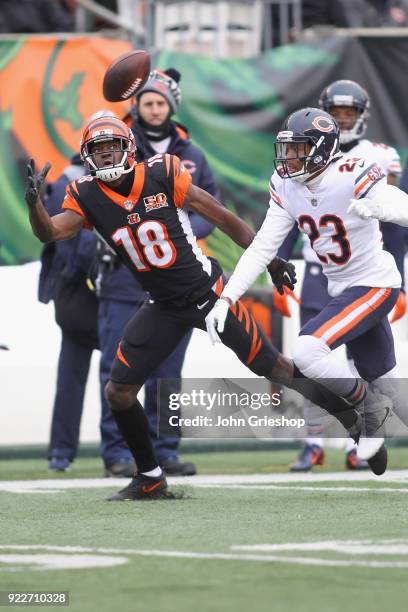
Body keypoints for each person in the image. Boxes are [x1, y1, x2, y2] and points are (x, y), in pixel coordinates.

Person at [24, 114, 372, 501]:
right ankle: (150, 477)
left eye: (112, 149)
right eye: (98, 152)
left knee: (274, 367)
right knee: (119, 392)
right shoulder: (86, 194)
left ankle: (348, 417)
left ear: (129, 148)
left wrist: (272, 262)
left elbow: (221, 217)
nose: (106, 158)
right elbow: (50, 232)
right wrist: (36, 205)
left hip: (209, 294)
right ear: (88, 156)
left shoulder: (163, 172)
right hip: (163, 304)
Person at [206, 107, 407, 476]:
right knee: (396, 393)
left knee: (308, 348)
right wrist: (226, 297)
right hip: (342, 288)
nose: (289, 157)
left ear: (322, 148)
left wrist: (381, 208)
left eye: (298, 149)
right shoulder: (286, 186)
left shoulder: (351, 171)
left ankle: (368, 411)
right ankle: (377, 406)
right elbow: (264, 246)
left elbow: (401, 204)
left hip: (376, 284)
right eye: (286, 148)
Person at [96, 68, 219, 476]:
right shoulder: (114, 143)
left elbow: (210, 210)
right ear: (136, 105)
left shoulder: (194, 155)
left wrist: (177, 235)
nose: (152, 109)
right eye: (146, 102)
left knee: (168, 368)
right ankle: (117, 452)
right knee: (118, 369)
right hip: (124, 274)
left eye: (159, 102)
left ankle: (164, 449)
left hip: (176, 276)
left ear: (172, 106)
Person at [279, 80, 405, 472]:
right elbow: (283, 218)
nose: (342, 120)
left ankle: (361, 437)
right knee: (310, 358)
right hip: (318, 270)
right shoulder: (298, 156)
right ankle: (314, 439)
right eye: (337, 113)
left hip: (364, 272)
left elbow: (396, 225)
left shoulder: (377, 157)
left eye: (349, 114)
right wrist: (277, 268)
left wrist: (399, 279)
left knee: (368, 363)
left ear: (362, 117)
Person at [39, 155, 136, 476]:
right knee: (74, 376)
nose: (107, 153)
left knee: (116, 375)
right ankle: (62, 451)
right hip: (80, 295)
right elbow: (64, 241)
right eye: (101, 146)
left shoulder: (130, 178)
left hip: (117, 292)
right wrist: (99, 260)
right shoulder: (73, 180)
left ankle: (121, 451)